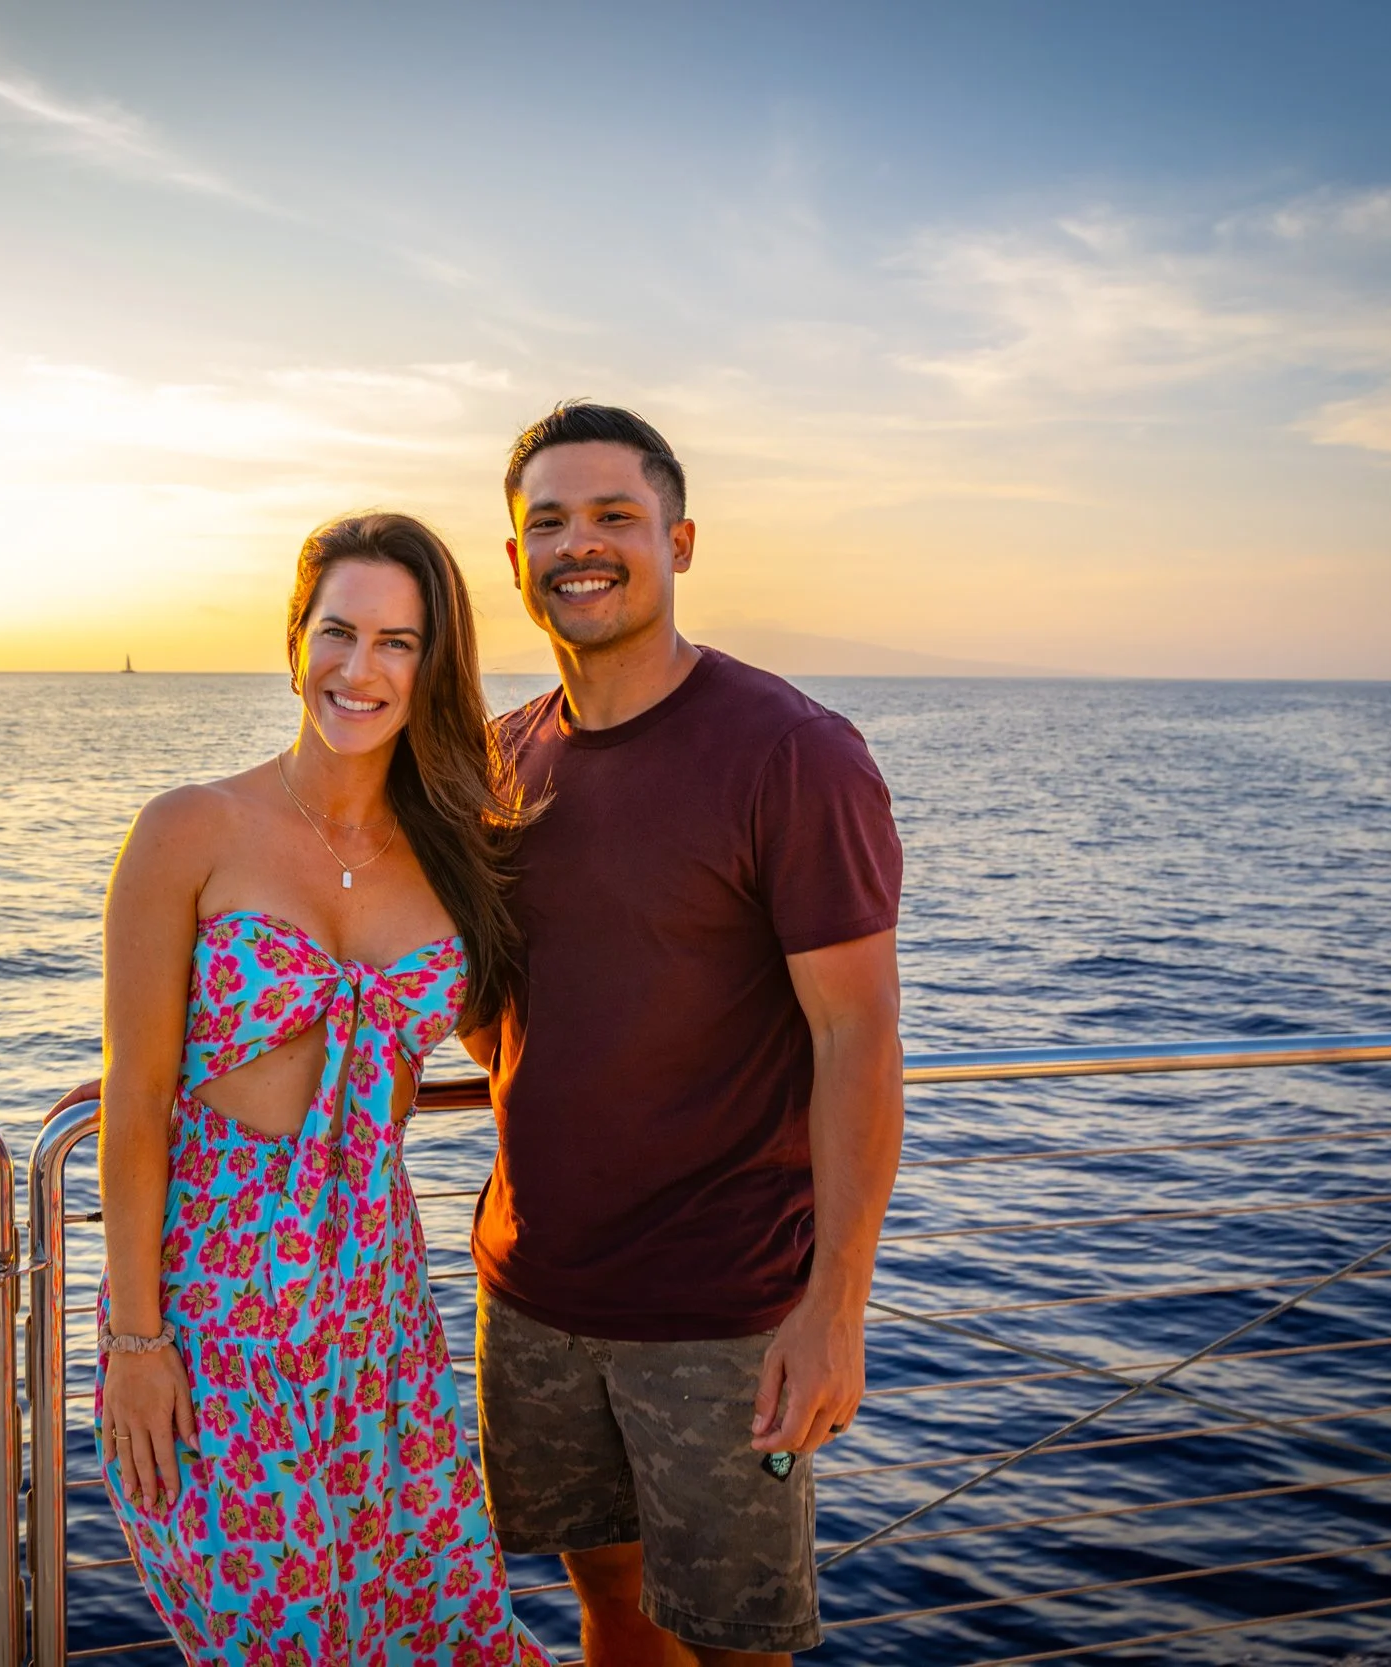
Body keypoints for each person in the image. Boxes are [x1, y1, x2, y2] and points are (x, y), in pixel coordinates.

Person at [465, 403, 907, 1664]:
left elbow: (859, 1041)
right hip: (533, 1289)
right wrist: (184, 1060)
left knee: (735, 1643)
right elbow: (463, 1000)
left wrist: (836, 1305)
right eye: (546, 521)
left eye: (614, 515)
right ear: (515, 560)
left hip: (722, 1314)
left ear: (680, 540)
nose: (579, 544)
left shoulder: (790, 751)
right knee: (604, 1599)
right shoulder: (500, 761)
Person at [94, 512, 552, 1665]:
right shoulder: (191, 828)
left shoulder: (459, 852)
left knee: (443, 1623)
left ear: (430, 665)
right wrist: (138, 1345)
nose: (361, 668)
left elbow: (540, 1038)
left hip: (378, 1310)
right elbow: (135, 1100)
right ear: (295, 639)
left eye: (397, 642)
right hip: (214, 1312)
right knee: (276, 1634)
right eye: (339, 631)